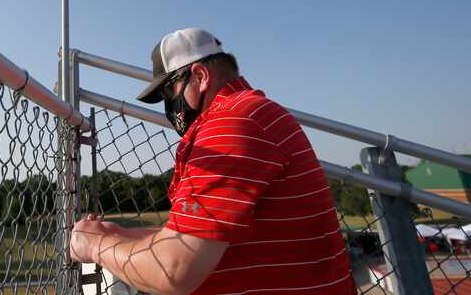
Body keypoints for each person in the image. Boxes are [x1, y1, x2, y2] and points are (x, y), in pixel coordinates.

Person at [70, 27, 356, 294]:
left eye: (169, 91)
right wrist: (121, 235)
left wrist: (94, 244)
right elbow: (202, 239)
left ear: (200, 76)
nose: (170, 106)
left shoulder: (231, 123)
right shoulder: (254, 113)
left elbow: (175, 268)